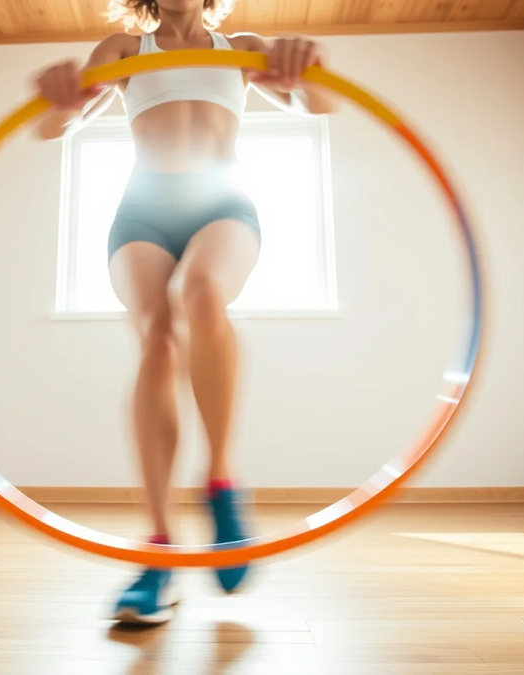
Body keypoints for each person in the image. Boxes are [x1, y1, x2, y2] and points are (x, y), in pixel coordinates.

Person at [32, 0, 337, 625]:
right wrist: (59, 103)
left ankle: (221, 486)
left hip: (221, 203)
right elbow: (54, 127)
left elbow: (319, 107)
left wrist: (304, 72)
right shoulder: (122, 50)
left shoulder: (243, 44)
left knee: (201, 292)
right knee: (157, 340)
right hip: (143, 212)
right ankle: (159, 551)